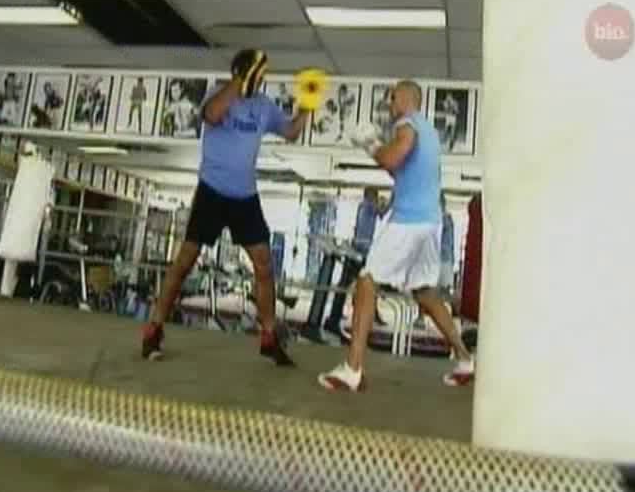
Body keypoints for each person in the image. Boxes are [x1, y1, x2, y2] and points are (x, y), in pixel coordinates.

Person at [140, 49, 309, 365]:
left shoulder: (264, 106)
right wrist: (238, 82)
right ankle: (153, 330)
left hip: (245, 196)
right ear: (241, 73)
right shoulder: (218, 93)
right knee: (185, 262)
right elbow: (211, 115)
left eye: (262, 75)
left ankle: (269, 337)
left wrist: (307, 106)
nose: (261, 80)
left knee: (264, 264)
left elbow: (290, 132)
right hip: (212, 192)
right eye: (257, 73)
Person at [318, 81, 475, 391]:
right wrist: (374, 147)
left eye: (392, 98)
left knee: (367, 281)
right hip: (431, 222)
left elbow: (390, 159)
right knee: (424, 292)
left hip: (409, 220)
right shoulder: (428, 132)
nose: (389, 104)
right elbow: (399, 170)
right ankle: (465, 359)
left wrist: (371, 144)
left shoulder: (407, 123)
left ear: (405, 98)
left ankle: (353, 368)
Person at [323, 187, 386, 337]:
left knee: (349, 284)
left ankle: (336, 316)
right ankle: (337, 317)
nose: (377, 199)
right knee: (364, 283)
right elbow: (383, 213)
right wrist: (391, 199)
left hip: (359, 250)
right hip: (360, 251)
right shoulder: (368, 206)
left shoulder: (363, 206)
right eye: (376, 197)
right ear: (371, 196)